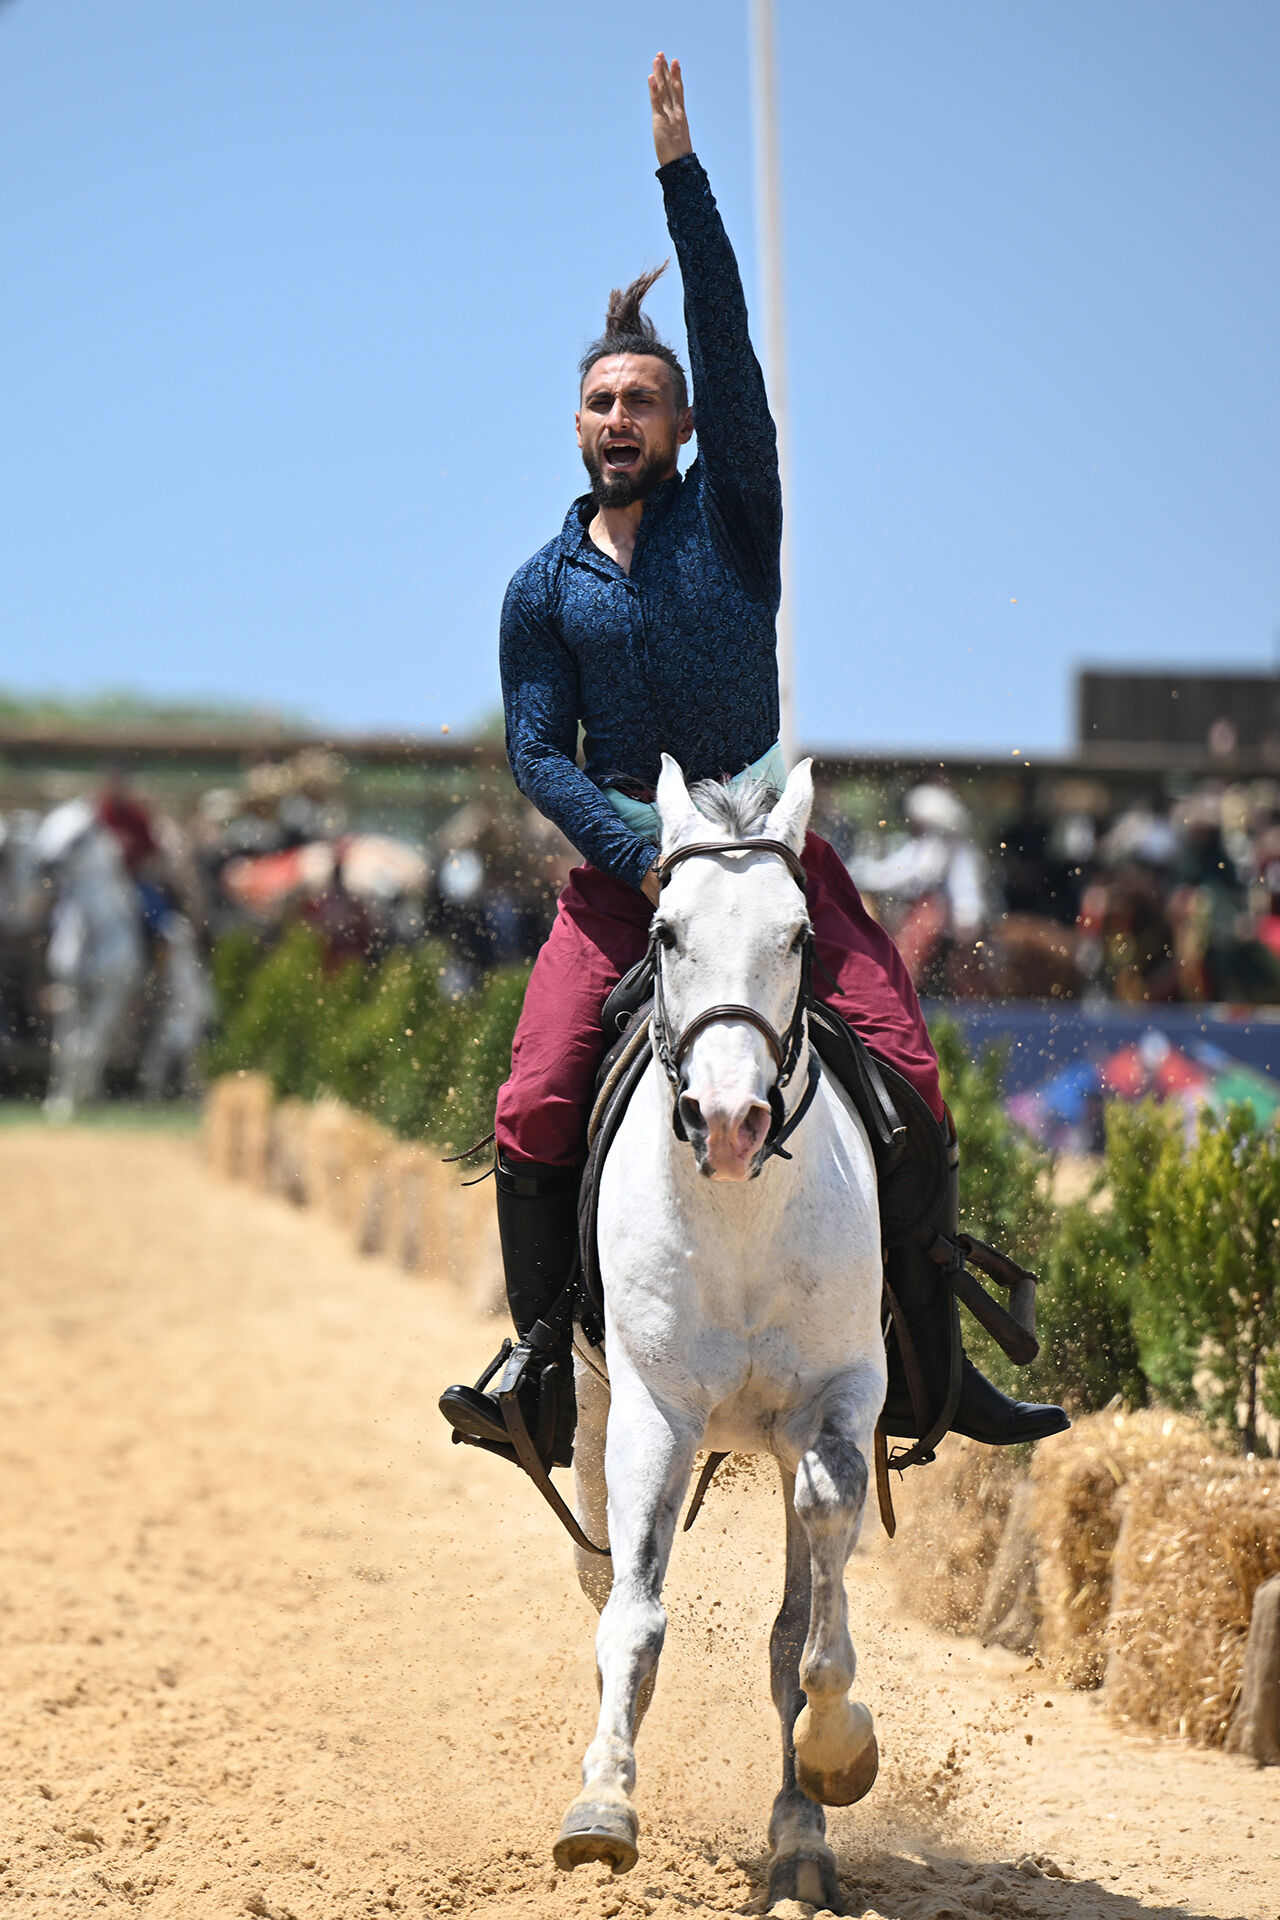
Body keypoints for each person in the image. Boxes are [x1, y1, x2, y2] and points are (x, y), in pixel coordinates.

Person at [440, 54, 1066, 1468]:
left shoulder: (740, 520)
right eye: (598, 400)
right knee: (534, 1101)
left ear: (680, 426)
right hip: (630, 877)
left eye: (640, 402)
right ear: (577, 421)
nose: (617, 418)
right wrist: (632, 848)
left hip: (771, 857)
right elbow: (536, 753)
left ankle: (932, 1365)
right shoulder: (537, 591)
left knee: (908, 1077)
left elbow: (721, 335)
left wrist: (681, 173)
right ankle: (540, 1371)